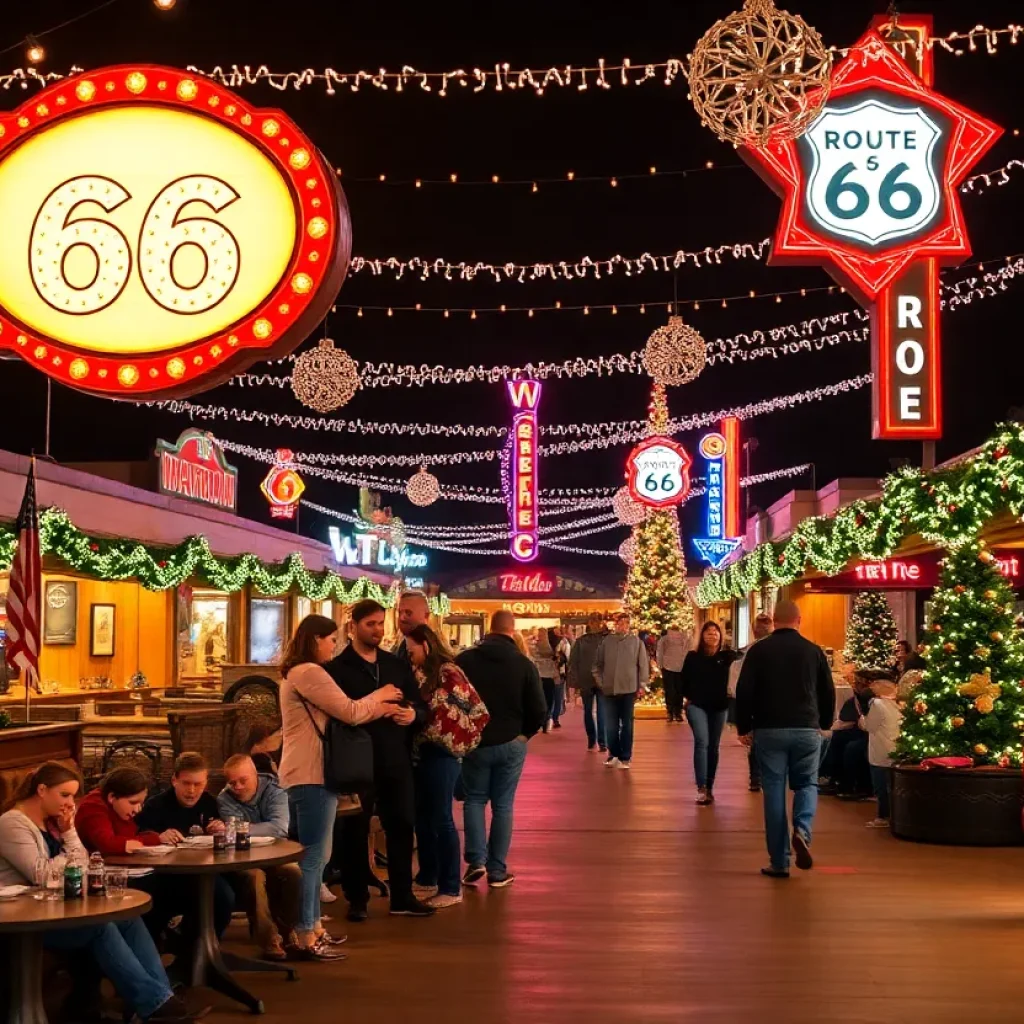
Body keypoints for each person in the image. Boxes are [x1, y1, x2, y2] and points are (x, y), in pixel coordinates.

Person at [0, 762, 198, 1022]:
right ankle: (155, 1003)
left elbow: (83, 862)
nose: (70, 803)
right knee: (99, 927)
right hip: (23, 920)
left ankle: (162, 999)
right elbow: (44, 876)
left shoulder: (54, 823)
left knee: (128, 918)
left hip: (52, 909)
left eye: (72, 796)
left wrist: (69, 831)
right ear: (41, 790)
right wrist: (68, 857)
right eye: (64, 795)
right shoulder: (12, 823)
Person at [280, 612, 404, 957]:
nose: (334, 646)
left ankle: (312, 926)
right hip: (313, 774)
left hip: (306, 772)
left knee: (313, 856)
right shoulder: (309, 672)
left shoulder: (297, 673)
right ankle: (306, 933)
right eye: (330, 639)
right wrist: (381, 698)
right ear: (316, 639)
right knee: (313, 858)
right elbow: (350, 712)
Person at [327, 599, 434, 920]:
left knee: (402, 825)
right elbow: (338, 713)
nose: (377, 629)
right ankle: (356, 897)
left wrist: (412, 714)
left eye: (380, 623)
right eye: (370, 624)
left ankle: (402, 896)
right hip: (354, 761)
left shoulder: (396, 665)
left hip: (395, 759)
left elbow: (422, 708)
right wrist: (376, 708)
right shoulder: (337, 669)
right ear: (354, 627)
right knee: (354, 830)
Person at [735, 600, 835, 878]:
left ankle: (779, 862)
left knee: (774, 791)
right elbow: (827, 692)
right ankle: (802, 829)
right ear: (799, 620)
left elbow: (744, 691)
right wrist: (823, 723)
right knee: (807, 784)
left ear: (774, 621)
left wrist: (744, 726)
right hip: (806, 729)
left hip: (769, 730)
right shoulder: (813, 651)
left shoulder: (758, 651)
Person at [456, 609, 547, 888]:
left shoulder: (464, 661)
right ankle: (497, 870)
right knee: (503, 805)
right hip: (511, 742)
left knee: (474, 800)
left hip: (475, 743)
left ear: (488, 628)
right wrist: (524, 735)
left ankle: (475, 862)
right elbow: (540, 709)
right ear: (512, 629)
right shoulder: (523, 664)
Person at [405, 624, 489, 909]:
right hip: (423, 753)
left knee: (441, 818)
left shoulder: (448, 672)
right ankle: (428, 876)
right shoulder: (421, 674)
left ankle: (451, 886)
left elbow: (476, 711)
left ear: (425, 646)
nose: (409, 654)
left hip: (443, 754)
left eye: (411, 649)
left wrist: (435, 716)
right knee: (424, 818)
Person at [135, 752, 236, 948]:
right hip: (166, 876)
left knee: (224, 897)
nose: (191, 791)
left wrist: (219, 831)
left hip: (203, 873)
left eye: (198, 784)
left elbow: (225, 842)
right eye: (186, 783)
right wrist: (158, 837)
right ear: (174, 780)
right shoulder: (155, 806)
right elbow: (137, 837)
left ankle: (200, 952)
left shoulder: (210, 803)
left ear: (206, 782)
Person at [218, 754, 302, 961]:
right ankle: (269, 938)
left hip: (276, 855)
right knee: (254, 876)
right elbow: (234, 835)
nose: (237, 787)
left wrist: (241, 828)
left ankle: (287, 928)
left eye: (242, 780)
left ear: (255, 775)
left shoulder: (276, 790)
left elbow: (279, 827)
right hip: (243, 859)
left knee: (293, 871)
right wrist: (254, 830)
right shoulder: (224, 798)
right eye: (232, 782)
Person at [681, 622, 740, 805]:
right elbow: (683, 680)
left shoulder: (728, 657)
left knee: (713, 746)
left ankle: (710, 787)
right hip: (697, 705)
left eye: (715, 633)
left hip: (719, 707)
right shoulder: (693, 657)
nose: (712, 636)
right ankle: (701, 787)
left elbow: (742, 667)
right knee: (702, 741)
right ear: (702, 636)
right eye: (708, 632)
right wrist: (687, 698)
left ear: (721, 636)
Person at [593, 613, 650, 770]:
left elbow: (643, 665)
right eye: (620, 623)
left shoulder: (636, 642)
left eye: (626, 623)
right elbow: (597, 665)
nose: (622, 626)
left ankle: (626, 756)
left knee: (627, 724)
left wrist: (642, 684)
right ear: (615, 624)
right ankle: (614, 754)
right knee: (610, 725)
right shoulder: (607, 642)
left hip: (628, 689)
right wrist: (601, 682)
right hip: (610, 689)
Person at [728, 613, 774, 792]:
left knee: (757, 741)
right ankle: (759, 776)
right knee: (762, 741)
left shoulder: (748, 652)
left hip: (757, 704)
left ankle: (756, 777)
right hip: (766, 703)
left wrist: (741, 722)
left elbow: (736, 686)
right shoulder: (751, 652)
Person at [818, 671, 874, 798]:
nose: (856, 685)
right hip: (860, 730)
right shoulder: (855, 699)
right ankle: (834, 778)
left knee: (851, 748)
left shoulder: (872, 699)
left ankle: (850, 786)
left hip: (870, 733)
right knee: (837, 738)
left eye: (860, 683)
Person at [859, 677, 903, 828]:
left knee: (880, 785)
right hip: (895, 749)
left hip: (881, 750)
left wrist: (862, 719)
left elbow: (869, 726)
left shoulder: (877, 704)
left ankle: (883, 816)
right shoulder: (897, 705)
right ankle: (892, 815)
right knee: (891, 785)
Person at [567, 612, 608, 752]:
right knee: (602, 711)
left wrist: (574, 684)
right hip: (602, 680)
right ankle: (602, 741)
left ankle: (592, 740)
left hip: (585, 680)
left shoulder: (581, 641)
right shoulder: (607, 640)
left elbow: (573, 662)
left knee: (589, 711)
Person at [656, 625, 690, 723]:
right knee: (678, 690)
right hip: (677, 667)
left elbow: (660, 651)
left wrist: (660, 664)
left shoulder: (665, 639)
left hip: (670, 667)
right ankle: (676, 712)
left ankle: (671, 712)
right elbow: (687, 651)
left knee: (671, 690)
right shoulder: (683, 637)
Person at [529, 627, 560, 732]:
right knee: (549, 701)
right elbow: (556, 658)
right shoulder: (551, 646)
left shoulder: (534, 645)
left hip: (538, 676)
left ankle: (541, 721)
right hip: (548, 677)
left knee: (539, 700)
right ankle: (546, 722)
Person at [392, 589, 432, 664]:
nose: (401, 618)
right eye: (400, 612)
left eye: (408, 612)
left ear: (426, 616)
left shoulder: (442, 664)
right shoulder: (396, 650)